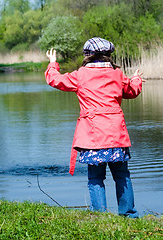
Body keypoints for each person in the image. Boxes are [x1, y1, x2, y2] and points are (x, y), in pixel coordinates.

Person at [45, 37, 145, 218]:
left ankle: (100, 216)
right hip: (116, 135)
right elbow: (131, 91)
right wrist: (136, 79)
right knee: (122, 175)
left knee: (96, 178)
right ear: (108, 55)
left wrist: (53, 64)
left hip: (93, 136)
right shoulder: (117, 74)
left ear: (87, 55)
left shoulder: (80, 75)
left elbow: (55, 80)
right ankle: (129, 215)